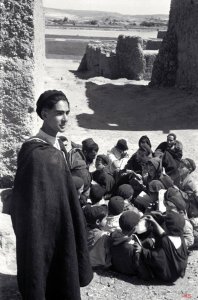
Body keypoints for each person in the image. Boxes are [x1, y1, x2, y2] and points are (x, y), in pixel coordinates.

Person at [10, 90, 93, 300]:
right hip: (40, 222)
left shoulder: (58, 145)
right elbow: (31, 192)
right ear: (44, 113)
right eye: (59, 113)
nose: (65, 119)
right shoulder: (37, 152)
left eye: (67, 113)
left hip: (59, 218)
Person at [135, 212, 188, 283]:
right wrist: (154, 222)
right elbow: (164, 235)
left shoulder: (165, 241)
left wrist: (142, 250)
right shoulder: (181, 238)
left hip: (167, 276)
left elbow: (157, 258)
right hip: (176, 273)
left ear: (166, 226)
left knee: (146, 247)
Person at [110, 210, 141, 275]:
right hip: (129, 272)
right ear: (134, 229)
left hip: (115, 267)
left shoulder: (112, 236)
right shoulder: (132, 248)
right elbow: (137, 265)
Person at [83, 205, 111, 269]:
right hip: (96, 264)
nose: (106, 220)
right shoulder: (103, 235)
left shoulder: (85, 229)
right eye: (105, 219)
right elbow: (107, 250)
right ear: (98, 222)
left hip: (86, 259)